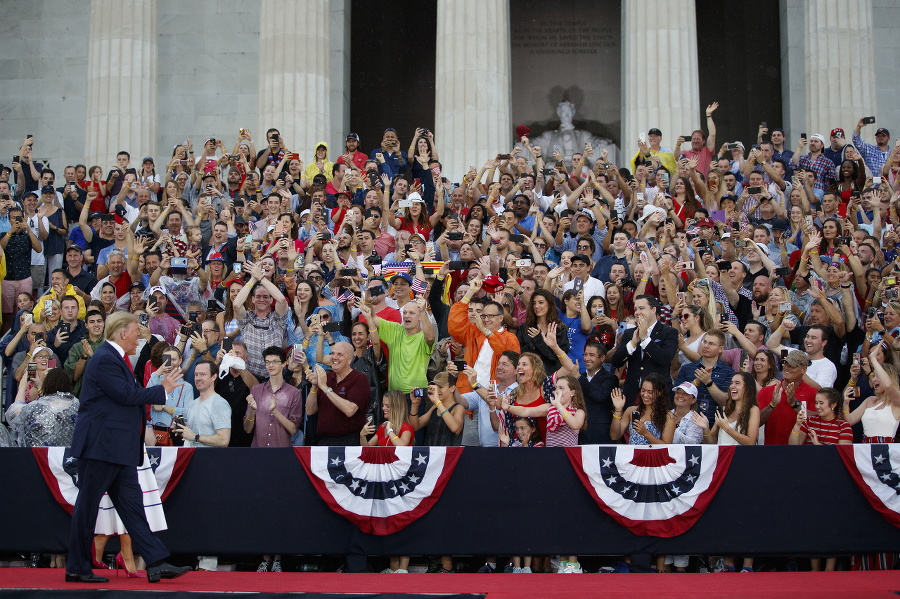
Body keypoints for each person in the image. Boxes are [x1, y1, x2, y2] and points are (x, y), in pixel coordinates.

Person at [65, 312, 189, 584]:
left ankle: (156, 561)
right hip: (101, 447)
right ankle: (77, 567)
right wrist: (162, 388)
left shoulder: (113, 358)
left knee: (133, 509)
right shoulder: (105, 358)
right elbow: (126, 395)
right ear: (122, 333)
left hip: (116, 450)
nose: (140, 336)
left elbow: (125, 396)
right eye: (137, 332)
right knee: (87, 508)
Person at [449, 275, 520, 393]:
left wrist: (487, 332)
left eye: (490, 316)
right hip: (468, 390)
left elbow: (505, 356)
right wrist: (470, 291)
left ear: (501, 318)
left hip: (492, 395)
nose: (486, 319)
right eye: (484, 316)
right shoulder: (474, 332)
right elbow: (454, 326)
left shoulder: (510, 338)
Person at [611, 295, 679, 403]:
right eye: (636, 309)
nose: (637, 312)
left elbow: (664, 358)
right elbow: (616, 362)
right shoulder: (630, 333)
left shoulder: (669, 332)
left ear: (653, 310)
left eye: (642, 308)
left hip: (658, 395)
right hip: (633, 394)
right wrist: (632, 344)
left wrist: (645, 340)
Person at [306, 342, 370, 446]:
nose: (334, 357)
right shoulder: (327, 377)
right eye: (332, 353)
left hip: (348, 443)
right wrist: (314, 386)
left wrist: (325, 388)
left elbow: (350, 410)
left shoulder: (360, 379)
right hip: (324, 442)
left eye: (340, 354)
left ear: (350, 359)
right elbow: (310, 410)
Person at [609, 373, 671, 445]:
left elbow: (666, 447)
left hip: (653, 455)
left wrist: (645, 433)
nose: (645, 395)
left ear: (660, 393)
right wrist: (618, 410)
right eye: (643, 390)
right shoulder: (631, 411)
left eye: (650, 392)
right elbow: (614, 436)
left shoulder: (668, 416)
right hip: (633, 455)